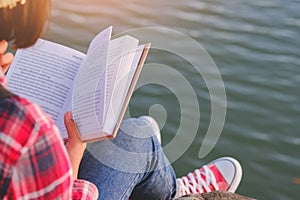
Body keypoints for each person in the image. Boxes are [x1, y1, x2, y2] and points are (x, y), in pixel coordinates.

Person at [0, 0, 242, 199]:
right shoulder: (24, 126)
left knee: (138, 134)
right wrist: (74, 152)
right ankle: (175, 193)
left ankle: (165, 184)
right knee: (138, 137)